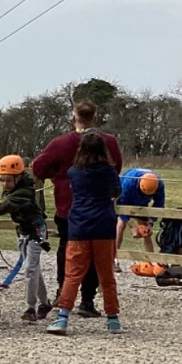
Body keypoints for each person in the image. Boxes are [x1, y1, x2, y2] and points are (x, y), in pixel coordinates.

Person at [30, 98, 123, 319]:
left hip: (68, 206)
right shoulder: (109, 142)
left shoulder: (60, 144)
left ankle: (63, 295)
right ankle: (88, 300)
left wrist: (57, 174)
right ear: (95, 117)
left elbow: (38, 168)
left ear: (74, 118)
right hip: (100, 208)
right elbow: (116, 168)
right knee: (97, 256)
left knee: (68, 251)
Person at [45, 132, 123, 336]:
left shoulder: (74, 172)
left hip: (79, 226)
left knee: (73, 274)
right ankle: (113, 318)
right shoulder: (109, 171)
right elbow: (116, 192)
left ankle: (62, 317)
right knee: (106, 275)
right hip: (104, 226)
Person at [0, 154, 50, 322]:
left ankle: (30, 308)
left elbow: (2, 207)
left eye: (9, 180)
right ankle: (45, 303)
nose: (5, 184)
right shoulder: (12, 190)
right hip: (23, 232)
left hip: (36, 232)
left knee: (30, 269)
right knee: (34, 269)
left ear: (19, 177)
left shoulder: (24, 192)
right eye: (2, 180)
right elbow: (0, 202)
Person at [116, 168, 165, 258]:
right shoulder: (128, 183)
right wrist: (132, 226)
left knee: (146, 231)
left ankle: (150, 261)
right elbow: (121, 204)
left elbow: (159, 205)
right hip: (125, 200)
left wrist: (150, 223)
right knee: (121, 225)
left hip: (142, 204)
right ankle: (113, 258)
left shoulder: (159, 185)